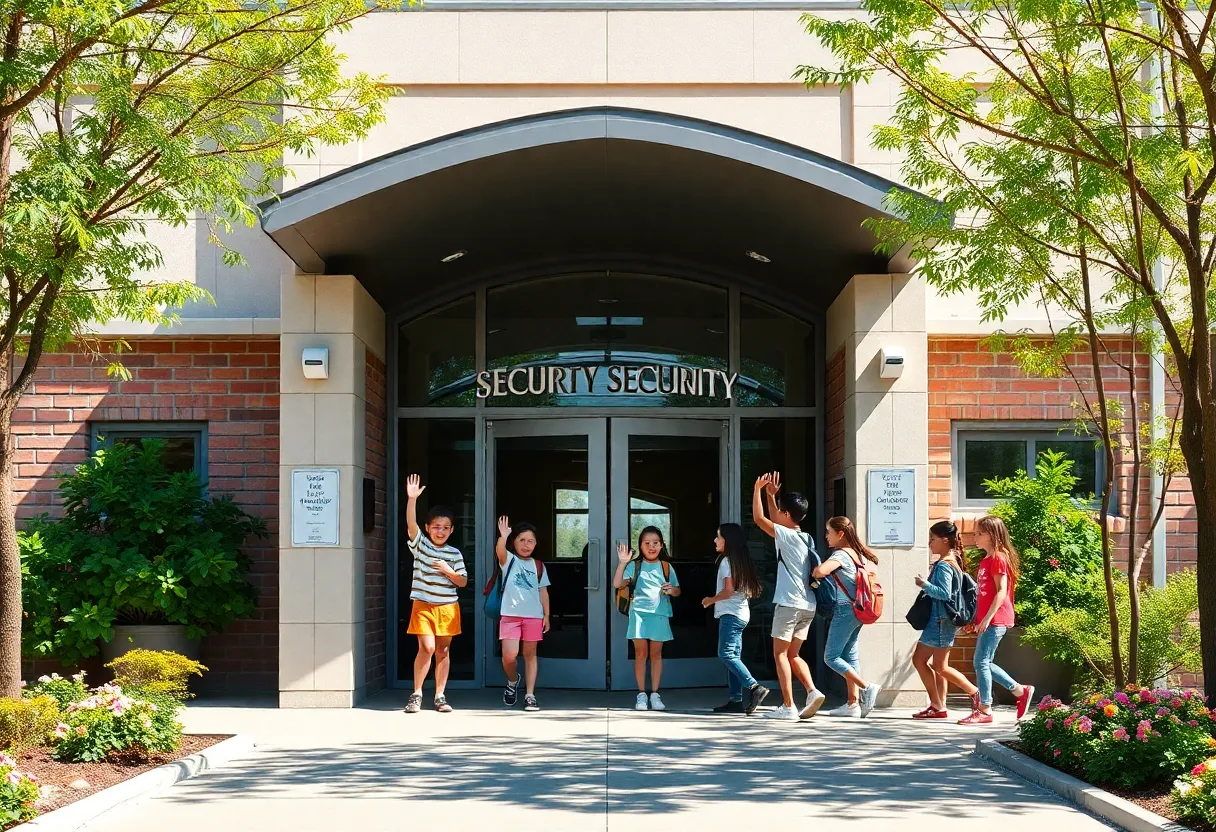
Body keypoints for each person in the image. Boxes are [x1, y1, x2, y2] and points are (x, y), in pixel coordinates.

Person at [751, 472, 826, 721]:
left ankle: (788, 705)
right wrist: (773, 498)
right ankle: (812, 691)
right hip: (808, 605)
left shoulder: (787, 536)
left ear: (786, 515)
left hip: (789, 603)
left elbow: (759, 519)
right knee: (794, 654)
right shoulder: (805, 537)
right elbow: (775, 519)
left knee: (780, 654)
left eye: (780, 512)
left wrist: (757, 490)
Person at [403, 473, 469, 714]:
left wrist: (448, 571)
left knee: (443, 650)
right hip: (423, 605)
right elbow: (410, 525)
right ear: (428, 527)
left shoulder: (455, 554)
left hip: (448, 607)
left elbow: (462, 582)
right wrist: (412, 499)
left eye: (445, 528)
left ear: (451, 530)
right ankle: (417, 694)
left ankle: (440, 695)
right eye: (436, 527)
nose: (440, 531)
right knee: (427, 648)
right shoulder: (421, 544)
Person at [959, 514, 1035, 725]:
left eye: (979, 533)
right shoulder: (986, 560)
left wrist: (987, 619)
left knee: (981, 662)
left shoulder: (999, 559)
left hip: (997, 618)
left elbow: (1001, 592)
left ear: (992, 535)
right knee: (983, 662)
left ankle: (985, 708)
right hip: (988, 619)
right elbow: (983, 595)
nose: (975, 536)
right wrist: (976, 620)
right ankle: (1020, 691)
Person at [813, 516, 882, 718]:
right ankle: (852, 704)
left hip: (845, 610)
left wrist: (817, 569)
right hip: (858, 610)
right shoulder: (859, 554)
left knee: (831, 657)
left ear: (840, 534)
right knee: (850, 656)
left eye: (829, 532)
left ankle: (866, 687)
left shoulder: (842, 555)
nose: (826, 537)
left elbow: (820, 572)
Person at [910, 520, 979, 719]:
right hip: (943, 620)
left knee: (925, 662)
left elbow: (944, 594)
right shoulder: (952, 559)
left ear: (944, 540)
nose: (930, 543)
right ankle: (938, 706)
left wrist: (924, 584)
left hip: (939, 621)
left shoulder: (944, 565)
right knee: (938, 665)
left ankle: (973, 694)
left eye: (932, 539)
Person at [612, 526, 681, 711]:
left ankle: (655, 694)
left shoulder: (666, 566)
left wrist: (671, 590)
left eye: (655, 543)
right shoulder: (634, 565)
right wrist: (622, 563)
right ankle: (641, 694)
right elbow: (617, 584)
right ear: (640, 546)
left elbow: (677, 590)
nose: (651, 547)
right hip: (639, 615)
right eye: (647, 543)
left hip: (659, 614)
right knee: (641, 654)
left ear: (662, 545)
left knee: (656, 654)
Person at [703, 523, 769, 714]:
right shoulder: (741, 561)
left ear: (728, 540)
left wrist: (710, 600)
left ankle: (754, 687)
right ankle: (735, 699)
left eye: (718, 536)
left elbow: (728, 591)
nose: (715, 540)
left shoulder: (726, 562)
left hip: (731, 615)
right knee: (734, 657)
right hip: (741, 614)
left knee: (726, 654)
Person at [495, 515, 551, 712]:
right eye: (521, 540)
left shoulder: (538, 565)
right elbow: (500, 551)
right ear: (514, 542)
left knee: (530, 654)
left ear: (536, 543)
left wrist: (547, 615)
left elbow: (543, 591)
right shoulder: (509, 560)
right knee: (509, 656)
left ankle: (530, 695)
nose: (526, 545)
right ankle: (512, 681)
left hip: (533, 616)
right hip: (510, 615)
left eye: (531, 541)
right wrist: (503, 536)